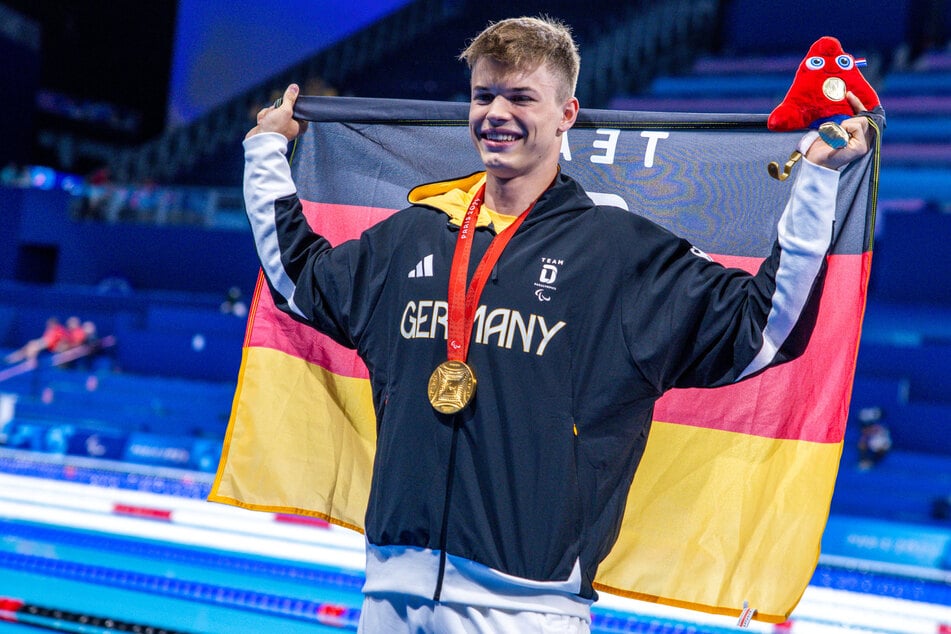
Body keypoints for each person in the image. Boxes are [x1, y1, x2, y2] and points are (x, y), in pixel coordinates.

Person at [242, 16, 873, 633]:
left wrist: (816, 180)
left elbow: (762, 330)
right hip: (388, 595)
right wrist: (267, 150)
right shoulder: (413, 234)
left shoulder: (619, 252)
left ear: (567, 114)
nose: (496, 113)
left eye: (521, 97)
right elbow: (303, 283)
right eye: (483, 95)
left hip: (529, 608)